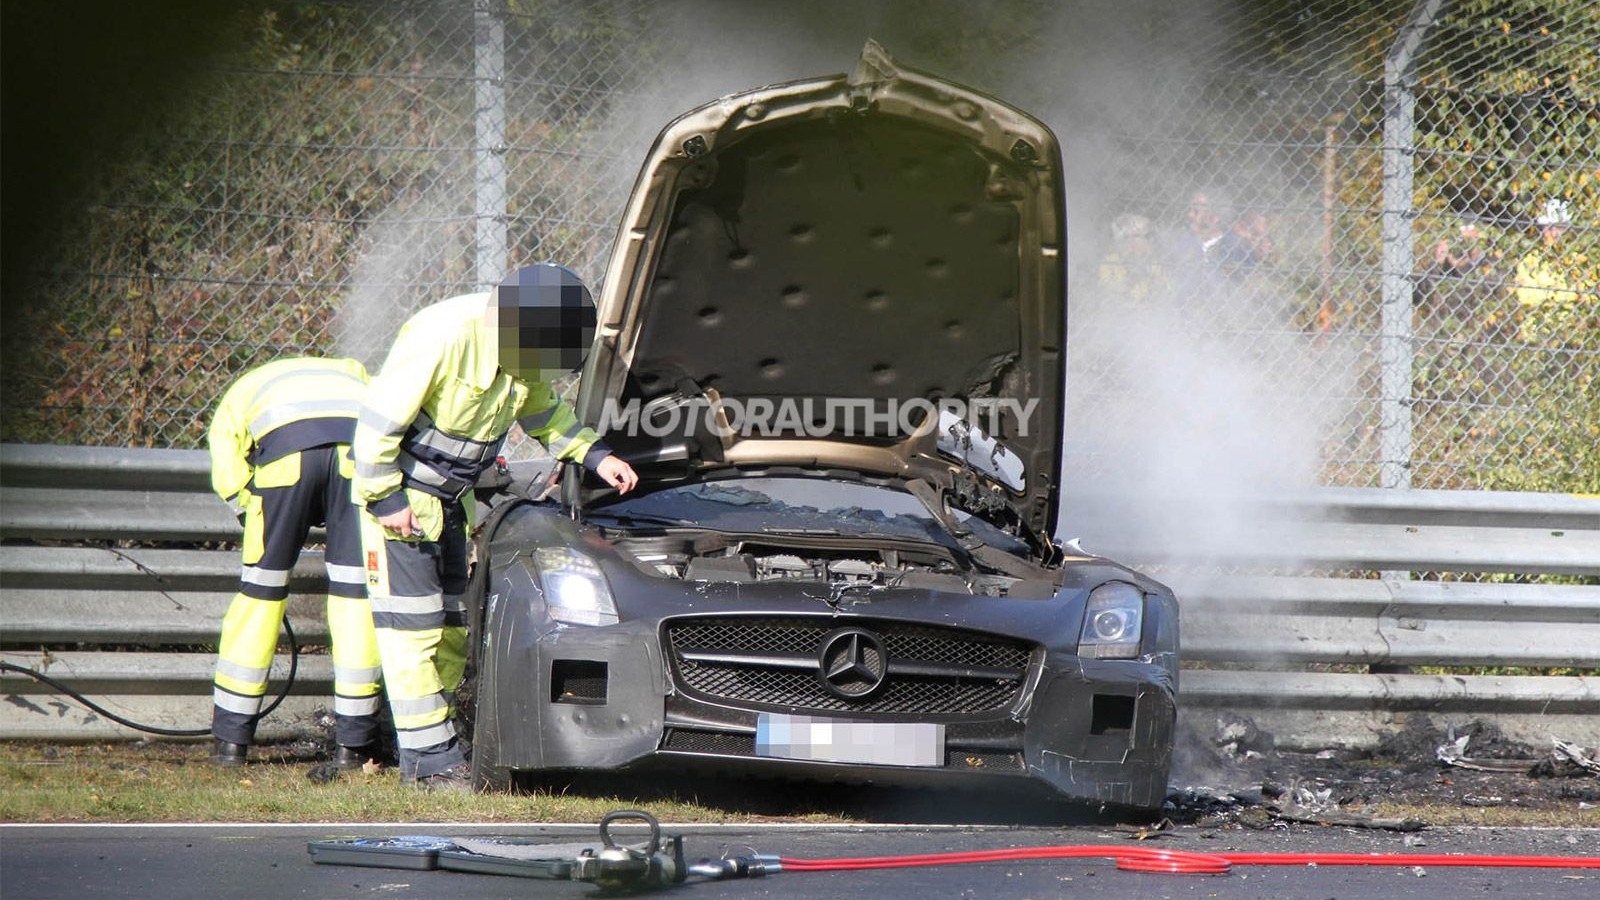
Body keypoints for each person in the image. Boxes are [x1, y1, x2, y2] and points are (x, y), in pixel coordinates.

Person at [352, 262, 640, 790]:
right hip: (401, 508)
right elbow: (377, 425)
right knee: (411, 633)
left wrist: (596, 456)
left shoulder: (525, 345)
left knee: (454, 634)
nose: (537, 372)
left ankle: (423, 740)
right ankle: (431, 765)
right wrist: (385, 498)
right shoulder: (440, 336)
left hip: (450, 505)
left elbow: (543, 415)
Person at [208, 356, 383, 768]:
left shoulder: (251, 383)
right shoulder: (358, 378)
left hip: (284, 462)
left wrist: (247, 504)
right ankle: (353, 747)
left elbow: (224, 444)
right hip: (356, 463)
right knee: (356, 599)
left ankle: (231, 744)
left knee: (261, 596)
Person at [1513, 198, 1586, 343]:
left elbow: (1588, 296)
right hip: (1538, 334)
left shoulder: (1579, 258)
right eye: (1550, 227)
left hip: (1574, 333)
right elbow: (1526, 297)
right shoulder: (1531, 259)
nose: (1554, 233)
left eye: (1559, 227)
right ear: (1543, 230)